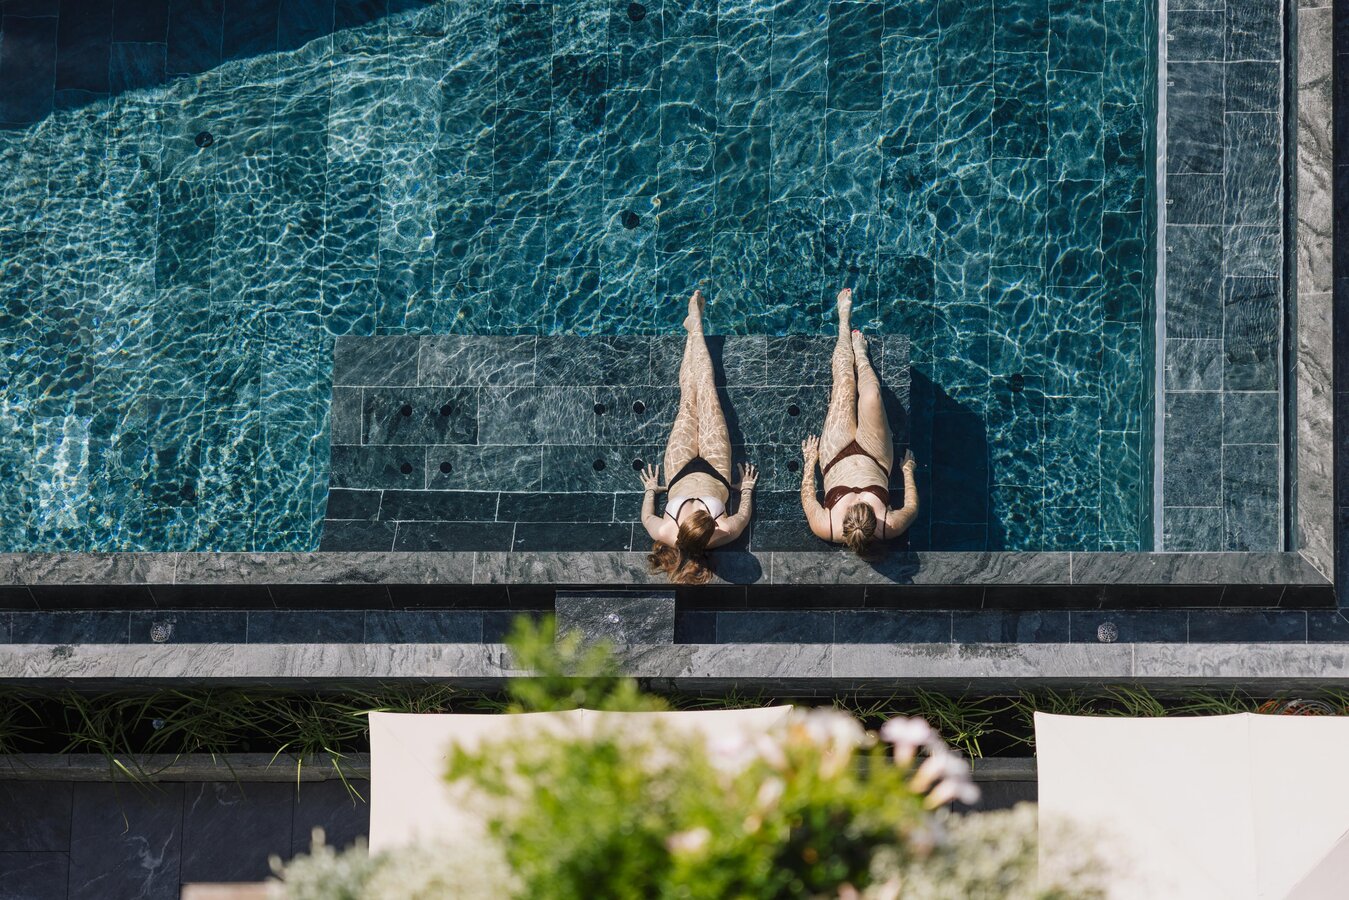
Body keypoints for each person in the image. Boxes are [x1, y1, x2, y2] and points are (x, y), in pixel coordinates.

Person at [639, 289, 757, 584]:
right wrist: (746, 489)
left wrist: (651, 490)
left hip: (678, 470)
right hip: (716, 469)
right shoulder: (723, 533)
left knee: (688, 398)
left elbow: (646, 518)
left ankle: (694, 328)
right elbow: (742, 517)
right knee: (706, 388)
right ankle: (696, 326)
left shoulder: (666, 532)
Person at [800, 287, 918, 557]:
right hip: (875, 456)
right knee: (872, 395)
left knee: (843, 383)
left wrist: (809, 462)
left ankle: (843, 322)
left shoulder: (825, 527)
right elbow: (911, 508)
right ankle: (862, 356)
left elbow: (808, 498)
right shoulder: (890, 527)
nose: (857, 499)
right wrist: (908, 471)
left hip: (834, 455)